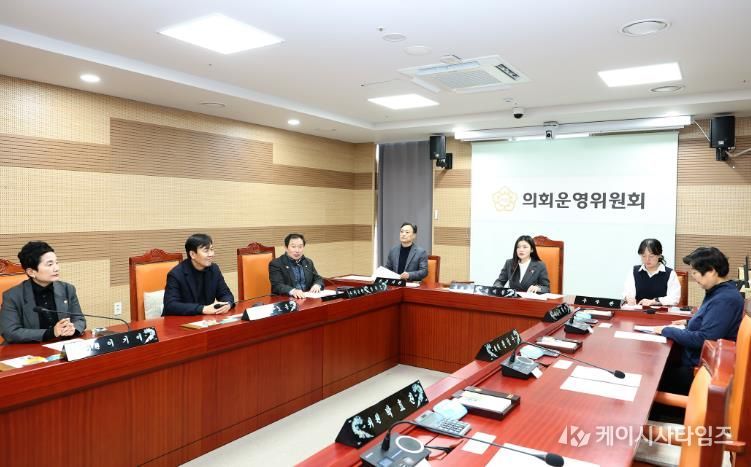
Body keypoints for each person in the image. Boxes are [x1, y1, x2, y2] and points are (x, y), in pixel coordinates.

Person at [655, 247, 744, 395]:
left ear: (712, 271)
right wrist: (687, 323)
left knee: (653, 376)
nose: (693, 276)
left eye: (695, 271)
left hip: (701, 370)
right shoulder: (719, 292)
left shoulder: (724, 299)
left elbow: (704, 339)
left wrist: (666, 330)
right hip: (695, 361)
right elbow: (711, 321)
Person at [0, 241, 86, 343]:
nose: (56, 268)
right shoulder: (12, 296)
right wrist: (50, 333)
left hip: (60, 346)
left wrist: (73, 329)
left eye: (56, 263)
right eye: (50, 264)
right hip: (29, 349)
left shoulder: (67, 289)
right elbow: (10, 332)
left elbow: (79, 320)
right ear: (31, 272)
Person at [163, 233, 234, 316]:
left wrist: (227, 304)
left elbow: (226, 294)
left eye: (211, 249)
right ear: (192, 254)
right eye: (206, 251)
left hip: (205, 319)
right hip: (180, 320)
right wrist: (202, 309)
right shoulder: (176, 274)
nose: (211, 254)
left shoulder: (214, 269)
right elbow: (170, 305)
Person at [623, 238, 681, 306]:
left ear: (659, 255)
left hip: (660, 311)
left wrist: (654, 301)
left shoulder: (670, 273)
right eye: (643, 256)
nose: (647, 259)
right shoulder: (634, 271)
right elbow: (628, 292)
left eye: (651, 256)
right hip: (638, 310)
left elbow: (674, 298)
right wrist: (628, 298)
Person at [269, 233, 325, 299]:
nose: (297, 250)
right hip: (287, 299)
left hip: (308, 298)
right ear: (286, 248)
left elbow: (318, 278)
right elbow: (277, 285)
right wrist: (293, 291)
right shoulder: (276, 263)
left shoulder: (308, 262)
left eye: (300, 247)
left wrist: (317, 285)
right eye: (293, 247)